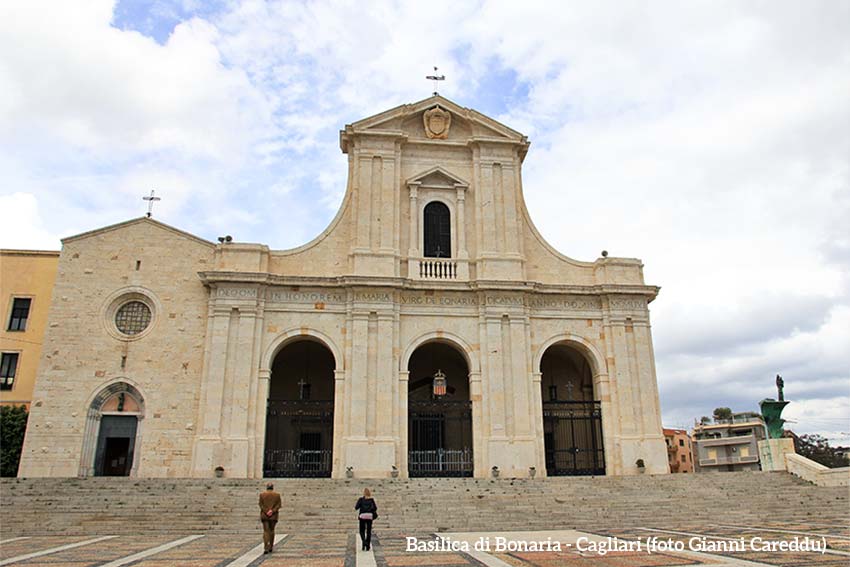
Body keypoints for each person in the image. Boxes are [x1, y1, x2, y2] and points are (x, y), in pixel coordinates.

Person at [258, 482, 282, 554]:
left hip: (265, 515)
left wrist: (266, 511)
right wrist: (272, 511)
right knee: (272, 530)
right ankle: (271, 546)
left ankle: (266, 547)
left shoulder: (262, 495)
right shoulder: (277, 495)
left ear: (267, 487)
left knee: (266, 531)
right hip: (273, 515)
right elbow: (279, 505)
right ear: (272, 487)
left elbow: (261, 505)